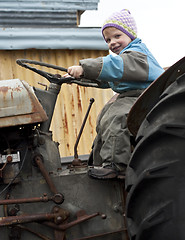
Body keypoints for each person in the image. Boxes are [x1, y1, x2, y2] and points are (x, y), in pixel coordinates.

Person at [64, 9, 164, 179]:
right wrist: (80, 76)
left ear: (130, 35)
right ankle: (97, 163)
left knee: (117, 117)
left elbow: (115, 66)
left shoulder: (136, 55)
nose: (112, 42)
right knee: (104, 117)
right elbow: (107, 78)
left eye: (117, 36)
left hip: (147, 98)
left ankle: (116, 166)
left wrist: (85, 67)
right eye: (108, 40)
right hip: (134, 97)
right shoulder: (124, 59)